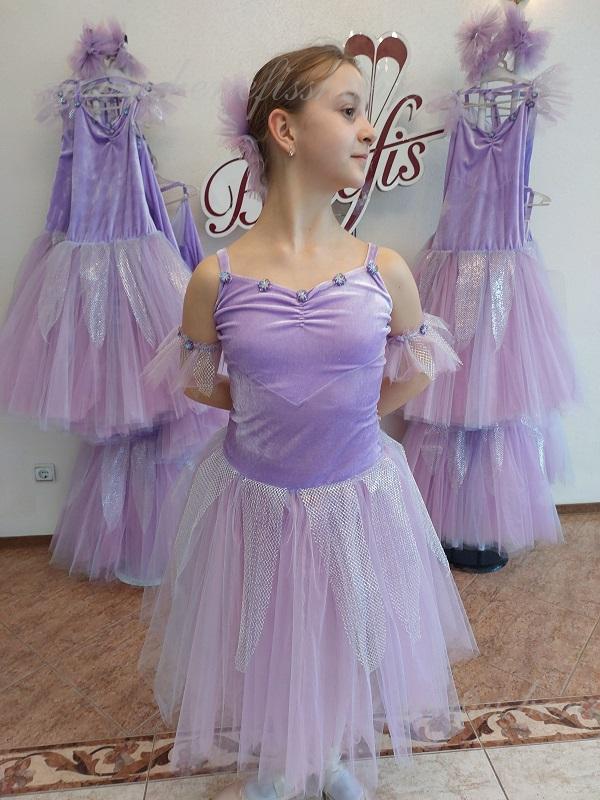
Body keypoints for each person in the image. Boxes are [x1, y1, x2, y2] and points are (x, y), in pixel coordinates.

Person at [138, 43, 477, 800]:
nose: (369, 129)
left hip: (356, 492)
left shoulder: (383, 270)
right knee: (263, 630)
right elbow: (197, 379)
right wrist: (267, 409)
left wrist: (354, 410)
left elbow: (419, 363)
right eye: (349, 110)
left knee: (343, 628)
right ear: (285, 131)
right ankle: (282, 758)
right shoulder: (216, 278)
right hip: (253, 495)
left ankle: (325, 754)